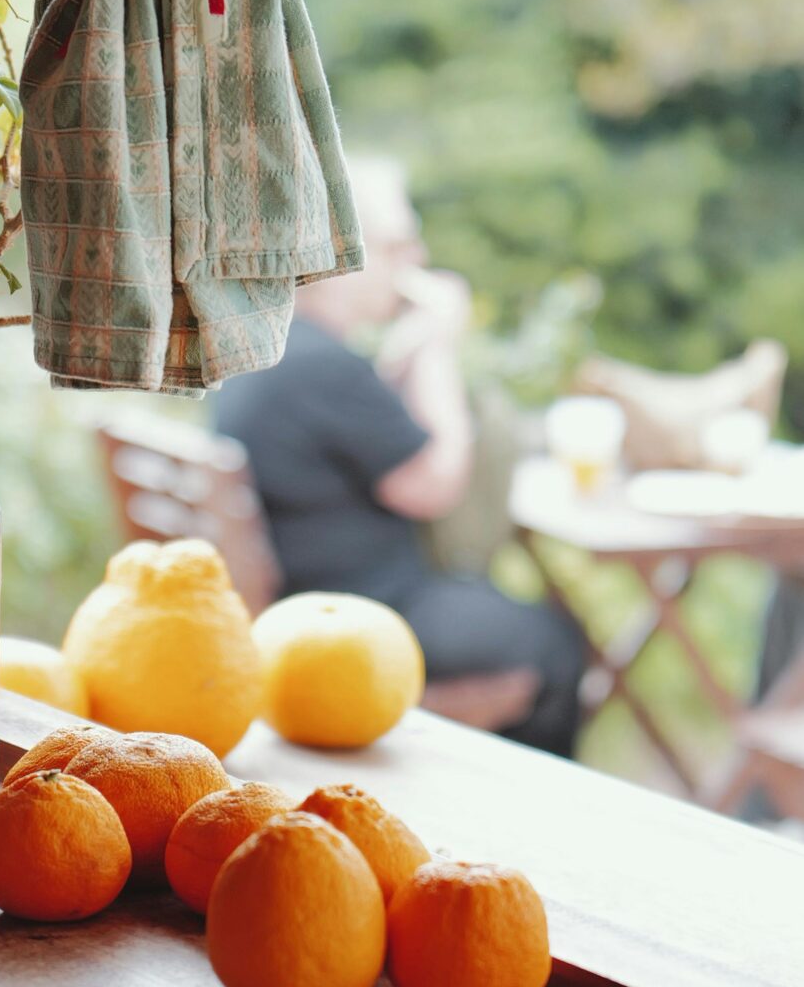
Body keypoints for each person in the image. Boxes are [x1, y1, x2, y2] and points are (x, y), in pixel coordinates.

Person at [216, 159, 585, 755]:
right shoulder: (322, 366)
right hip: (363, 614)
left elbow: (373, 440)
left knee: (515, 620)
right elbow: (434, 483)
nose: (413, 260)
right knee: (552, 641)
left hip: (312, 601)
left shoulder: (275, 345)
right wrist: (438, 345)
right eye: (395, 245)